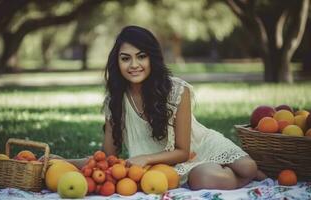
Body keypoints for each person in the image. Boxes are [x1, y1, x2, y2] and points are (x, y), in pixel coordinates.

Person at [100, 25, 265, 190]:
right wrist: (75, 163)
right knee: (204, 179)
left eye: (141, 56)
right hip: (166, 165)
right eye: (125, 58)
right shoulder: (115, 100)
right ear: (117, 61)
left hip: (200, 147)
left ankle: (233, 174)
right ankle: (230, 177)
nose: (134, 64)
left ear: (152, 58)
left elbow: (183, 151)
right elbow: (107, 157)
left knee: (248, 167)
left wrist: (146, 158)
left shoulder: (176, 90)